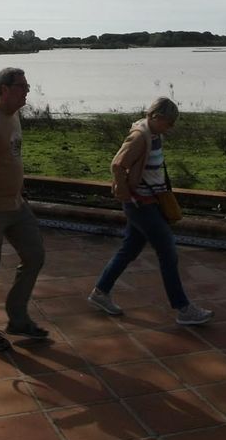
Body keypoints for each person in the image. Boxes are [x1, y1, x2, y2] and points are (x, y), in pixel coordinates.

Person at [88, 97, 214, 325]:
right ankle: (183, 308)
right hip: (141, 204)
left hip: (150, 202)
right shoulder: (140, 136)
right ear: (156, 117)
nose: (171, 126)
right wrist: (126, 195)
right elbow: (118, 164)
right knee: (167, 251)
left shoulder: (155, 134)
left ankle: (100, 292)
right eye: (169, 121)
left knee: (129, 249)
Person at [0, 66, 48, 352]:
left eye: (27, 86)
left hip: (16, 205)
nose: (27, 91)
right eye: (22, 86)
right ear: (4, 89)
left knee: (35, 255)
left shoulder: (14, 116)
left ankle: (17, 318)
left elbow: (10, 160)